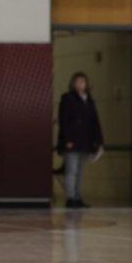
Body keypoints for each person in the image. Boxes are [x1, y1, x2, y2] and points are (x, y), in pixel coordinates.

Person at [57, 72, 104, 208]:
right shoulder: (68, 99)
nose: (80, 84)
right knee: (71, 170)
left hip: (84, 141)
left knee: (79, 171)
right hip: (72, 141)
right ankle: (70, 197)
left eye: (83, 82)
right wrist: (68, 139)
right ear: (73, 83)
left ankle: (77, 197)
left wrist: (99, 141)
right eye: (77, 82)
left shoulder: (89, 100)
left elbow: (95, 122)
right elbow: (64, 120)